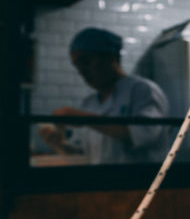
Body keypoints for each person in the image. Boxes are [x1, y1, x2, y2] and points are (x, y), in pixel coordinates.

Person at [38, 28, 170, 164]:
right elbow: (85, 155)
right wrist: (60, 145)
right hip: (101, 182)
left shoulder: (142, 90)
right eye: (77, 65)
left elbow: (143, 135)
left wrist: (83, 118)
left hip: (140, 182)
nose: (81, 71)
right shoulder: (89, 103)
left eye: (86, 61)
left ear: (110, 58)